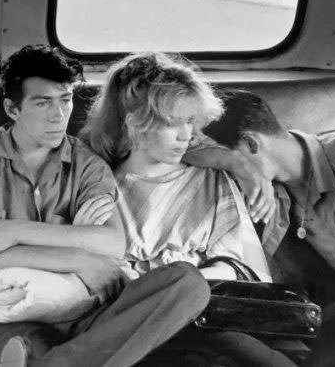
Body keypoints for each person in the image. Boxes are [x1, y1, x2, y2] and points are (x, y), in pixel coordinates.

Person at [0, 45, 211, 367]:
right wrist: (82, 258)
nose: (58, 115)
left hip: (88, 310)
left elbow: (112, 243)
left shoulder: (87, 163)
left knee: (187, 282)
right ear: (12, 109)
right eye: (43, 103)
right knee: (20, 350)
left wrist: (15, 231)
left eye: (66, 100)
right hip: (8, 314)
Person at [80, 52, 293, 367]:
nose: (188, 135)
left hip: (206, 316)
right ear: (136, 125)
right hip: (126, 322)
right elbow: (94, 272)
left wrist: (182, 284)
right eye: (173, 124)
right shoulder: (98, 182)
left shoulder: (212, 179)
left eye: (191, 121)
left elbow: (241, 269)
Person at [203, 89, 335, 367]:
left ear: (251, 143)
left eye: (231, 163)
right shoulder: (274, 189)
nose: (229, 175)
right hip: (330, 308)